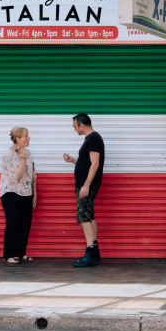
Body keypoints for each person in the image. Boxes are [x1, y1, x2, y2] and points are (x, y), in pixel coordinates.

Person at [63, 113, 104, 267]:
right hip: (87, 184)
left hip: (87, 185)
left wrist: (86, 185)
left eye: (75, 126)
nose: (74, 129)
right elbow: (87, 163)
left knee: (83, 217)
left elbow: (95, 164)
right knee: (89, 215)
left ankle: (90, 253)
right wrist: (73, 161)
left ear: (82, 125)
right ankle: (94, 251)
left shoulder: (93, 138)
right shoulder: (91, 139)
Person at [0, 127, 37, 264]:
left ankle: (20, 253)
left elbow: (32, 175)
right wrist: (22, 160)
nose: (28, 138)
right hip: (11, 192)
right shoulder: (7, 155)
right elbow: (16, 178)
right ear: (17, 138)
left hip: (26, 192)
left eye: (28, 135)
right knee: (13, 223)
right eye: (25, 136)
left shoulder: (28, 152)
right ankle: (8, 254)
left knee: (25, 223)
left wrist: (35, 195)